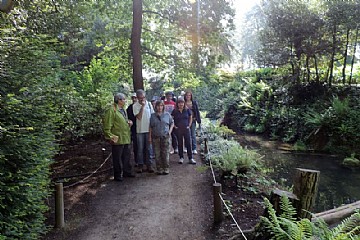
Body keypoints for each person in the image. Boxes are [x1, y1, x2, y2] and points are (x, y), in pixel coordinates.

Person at [103, 93, 135, 181]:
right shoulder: (111, 110)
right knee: (117, 158)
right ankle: (118, 175)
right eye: (124, 99)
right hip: (117, 138)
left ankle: (126, 172)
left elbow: (123, 121)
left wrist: (129, 122)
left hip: (126, 137)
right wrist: (110, 137)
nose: (125, 101)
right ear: (119, 100)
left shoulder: (123, 109)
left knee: (126, 156)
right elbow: (107, 126)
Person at [133, 89, 155, 173]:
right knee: (140, 149)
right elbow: (138, 117)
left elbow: (152, 116)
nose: (142, 99)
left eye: (143, 97)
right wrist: (142, 107)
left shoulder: (149, 104)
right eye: (140, 98)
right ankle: (140, 165)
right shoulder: (135, 106)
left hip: (149, 129)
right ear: (137, 98)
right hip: (140, 131)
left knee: (149, 148)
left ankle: (149, 165)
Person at [149, 100, 174, 175]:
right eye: (158, 106)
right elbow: (150, 127)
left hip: (165, 136)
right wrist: (149, 137)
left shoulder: (167, 114)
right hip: (155, 137)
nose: (160, 107)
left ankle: (166, 168)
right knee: (157, 153)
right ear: (155, 106)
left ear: (163, 106)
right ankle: (159, 168)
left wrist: (169, 132)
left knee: (165, 153)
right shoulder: (153, 116)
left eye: (161, 106)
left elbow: (172, 123)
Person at [171, 97, 196, 164]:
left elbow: (190, 117)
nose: (181, 104)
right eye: (179, 103)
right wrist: (174, 126)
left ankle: (190, 158)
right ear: (177, 104)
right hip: (178, 129)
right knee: (180, 143)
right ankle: (181, 157)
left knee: (188, 143)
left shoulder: (187, 110)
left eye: (182, 103)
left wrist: (189, 125)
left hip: (186, 129)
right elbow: (171, 119)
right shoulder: (175, 111)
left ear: (184, 103)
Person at [184, 90, 201, 155]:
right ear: (185, 96)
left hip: (193, 120)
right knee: (186, 134)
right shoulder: (183, 102)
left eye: (189, 95)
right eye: (187, 95)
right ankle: (186, 147)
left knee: (193, 134)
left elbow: (197, 111)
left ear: (191, 96)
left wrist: (198, 120)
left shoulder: (194, 103)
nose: (188, 96)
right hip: (185, 120)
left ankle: (194, 148)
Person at [126, 93, 138, 166]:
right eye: (133, 98)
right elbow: (127, 118)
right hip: (133, 129)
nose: (134, 99)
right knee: (136, 145)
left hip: (142, 128)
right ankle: (137, 161)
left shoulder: (142, 106)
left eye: (135, 98)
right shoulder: (129, 108)